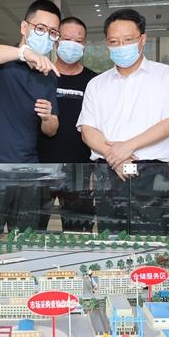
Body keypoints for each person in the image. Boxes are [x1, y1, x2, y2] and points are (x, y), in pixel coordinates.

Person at [77, 8, 169, 235]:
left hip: (150, 174)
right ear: (107, 44)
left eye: (128, 40)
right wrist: (114, 156)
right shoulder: (97, 84)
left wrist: (127, 147)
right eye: (114, 41)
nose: (121, 46)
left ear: (142, 40)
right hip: (108, 173)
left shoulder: (167, 75)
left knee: (153, 242)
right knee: (111, 241)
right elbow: (87, 130)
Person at [0, 0, 61, 233]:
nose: (46, 36)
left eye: (53, 33)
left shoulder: (49, 74)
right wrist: (24, 53)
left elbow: (52, 129)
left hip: (28, 168)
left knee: (25, 239)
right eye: (40, 28)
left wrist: (47, 117)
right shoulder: (3, 60)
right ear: (24, 27)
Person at [37, 16, 98, 232]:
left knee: (78, 235)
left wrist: (96, 171)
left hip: (80, 171)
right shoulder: (40, 75)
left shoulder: (94, 82)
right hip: (39, 169)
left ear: (84, 45)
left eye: (78, 41)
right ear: (56, 41)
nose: (72, 44)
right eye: (66, 39)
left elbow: (101, 128)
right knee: (31, 233)